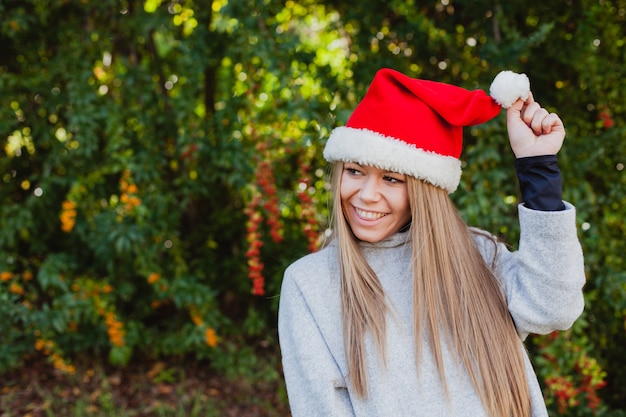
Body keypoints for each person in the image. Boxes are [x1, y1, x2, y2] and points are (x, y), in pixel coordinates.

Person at [278, 68, 585, 417]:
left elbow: (554, 307)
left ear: (425, 190)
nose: (366, 195)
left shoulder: (480, 256)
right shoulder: (311, 284)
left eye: (391, 178)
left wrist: (537, 167)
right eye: (354, 171)